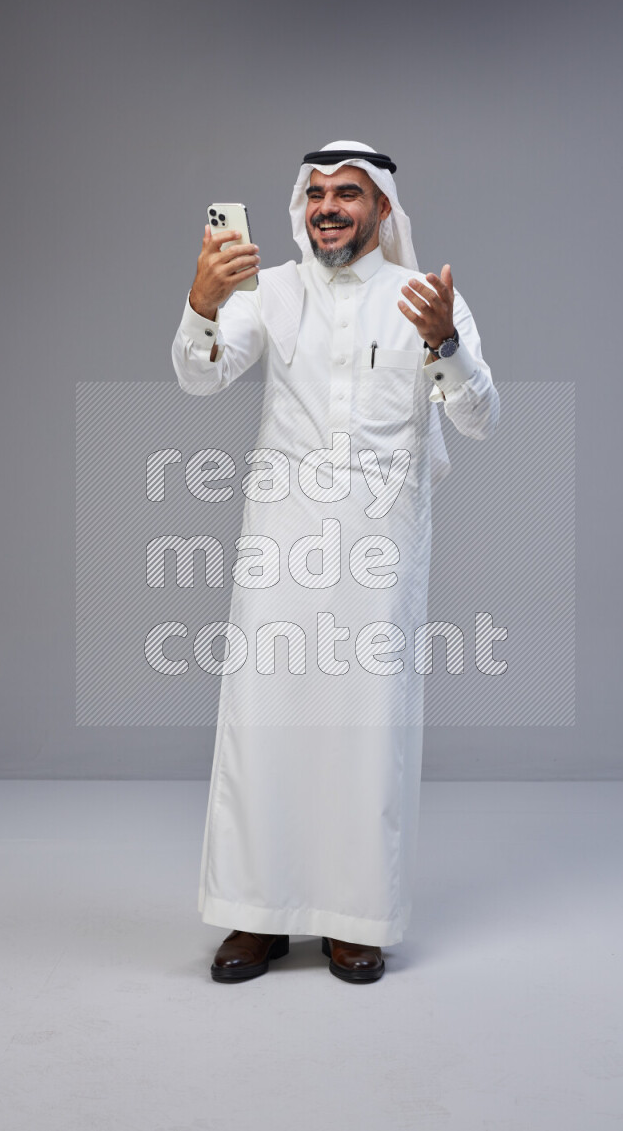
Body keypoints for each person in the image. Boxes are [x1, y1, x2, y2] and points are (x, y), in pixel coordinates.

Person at [171, 140, 500, 983]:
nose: (328, 206)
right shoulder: (269, 292)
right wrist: (203, 307)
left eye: (348, 194)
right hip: (282, 542)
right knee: (264, 720)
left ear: (382, 210)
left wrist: (447, 349)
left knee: (365, 728)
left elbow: (480, 417)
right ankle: (257, 917)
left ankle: (356, 918)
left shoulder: (425, 299)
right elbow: (203, 377)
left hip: (381, 547)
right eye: (315, 192)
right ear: (300, 205)